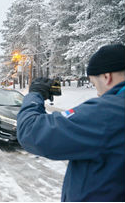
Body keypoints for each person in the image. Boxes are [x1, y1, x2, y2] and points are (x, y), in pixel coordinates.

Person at [17, 44, 125, 201]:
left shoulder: (109, 112)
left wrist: (35, 95)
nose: (97, 92)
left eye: (95, 83)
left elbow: (31, 131)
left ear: (107, 77)